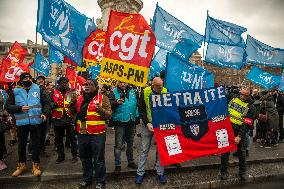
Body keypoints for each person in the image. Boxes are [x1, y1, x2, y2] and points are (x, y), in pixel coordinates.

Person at [7, 73, 49, 177]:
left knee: (35, 145)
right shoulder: (15, 91)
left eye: (29, 78)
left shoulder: (38, 89)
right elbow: (7, 106)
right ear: (21, 80)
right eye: (25, 78)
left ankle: (36, 166)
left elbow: (46, 103)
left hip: (36, 122)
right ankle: (21, 165)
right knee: (21, 145)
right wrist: (19, 108)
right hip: (22, 123)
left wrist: (45, 113)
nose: (28, 79)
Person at [73, 79, 112, 189]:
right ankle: (87, 179)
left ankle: (100, 181)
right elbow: (74, 113)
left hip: (98, 134)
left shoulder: (103, 98)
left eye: (90, 84)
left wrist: (101, 110)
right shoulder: (80, 98)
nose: (87, 86)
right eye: (85, 84)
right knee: (85, 158)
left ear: (96, 87)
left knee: (98, 159)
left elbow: (109, 115)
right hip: (82, 133)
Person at [135, 77, 168, 185]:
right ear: (153, 85)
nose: (161, 88)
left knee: (161, 149)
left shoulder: (165, 91)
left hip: (161, 125)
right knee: (144, 149)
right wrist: (147, 123)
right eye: (158, 87)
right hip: (148, 125)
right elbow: (141, 109)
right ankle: (140, 173)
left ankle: (160, 172)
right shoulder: (145, 92)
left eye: (162, 85)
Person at [220, 88, 255, 181]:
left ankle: (242, 172)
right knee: (224, 151)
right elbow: (219, 96)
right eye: (241, 94)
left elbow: (247, 123)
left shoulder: (251, 107)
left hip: (239, 131)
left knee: (242, 152)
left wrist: (239, 136)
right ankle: (224, 172)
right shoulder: (232, 97)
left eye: (245, 95)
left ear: (249, 96)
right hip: (227, 129)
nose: (242, 96)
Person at [110, 82, 139, 175]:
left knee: (130, 144)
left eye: (124, 82)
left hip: (131, 121)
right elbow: (108, 105)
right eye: (121, 82)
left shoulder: (133, 91)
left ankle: (130, 161)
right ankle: (118, 165)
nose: (123, 83)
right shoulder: (113, 92)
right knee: (118, 145)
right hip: (120, 122)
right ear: (117, 82)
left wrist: (137, 117)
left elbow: (136, 104)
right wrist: (115, 103)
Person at [50, 77, 78, 164]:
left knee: (72, 139)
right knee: (58, 139)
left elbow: (76, 105)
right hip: (58, 120)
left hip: (69, 119)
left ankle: (74, 156)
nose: (64, 84)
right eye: (62, 82)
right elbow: (48, 104)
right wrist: (54, 104)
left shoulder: (72, 92)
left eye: (65, 82)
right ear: (58, 83)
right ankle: (60, 156)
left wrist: (73, 103)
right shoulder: (53, 92)